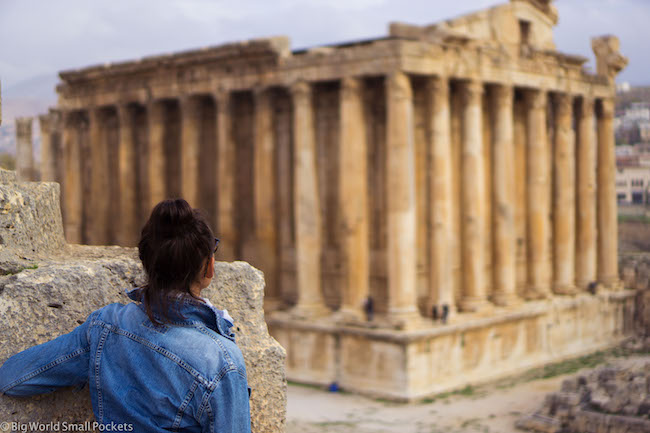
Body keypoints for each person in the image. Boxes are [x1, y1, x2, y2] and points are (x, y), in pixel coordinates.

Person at [0, 198, 251, 432]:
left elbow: (11, 378)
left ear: (146, 261)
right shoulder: (221, 363)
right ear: (209, 266)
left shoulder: (106, 326)